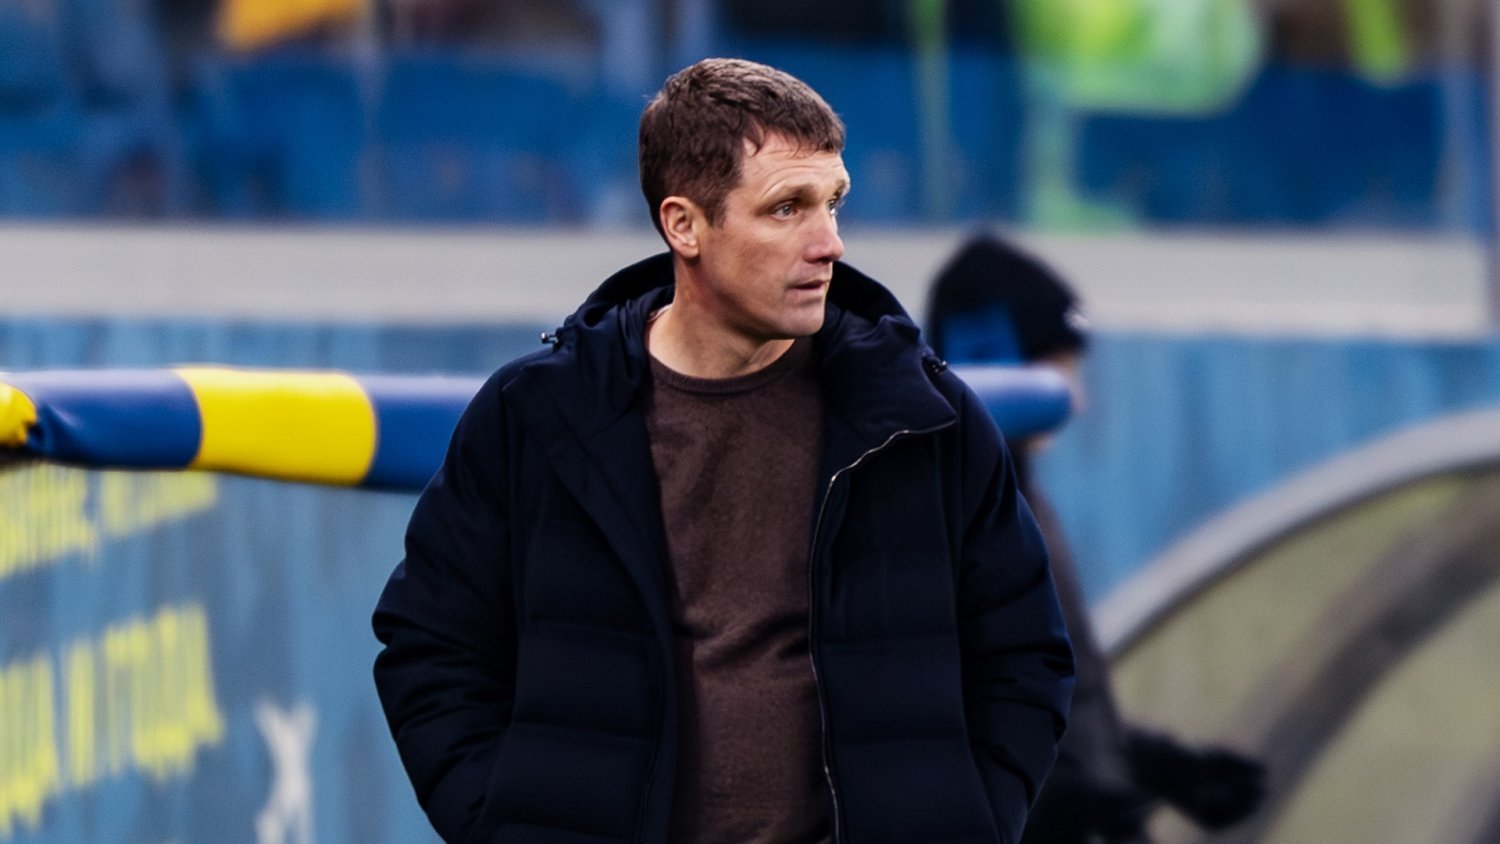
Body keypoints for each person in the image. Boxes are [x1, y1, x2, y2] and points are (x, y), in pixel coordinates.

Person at [372, 58, 1074, 844]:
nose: (829, 243)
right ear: (684, 225)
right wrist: (506, 825)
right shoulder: (535, 416)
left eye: (834, 202)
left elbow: (1026, 658)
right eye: (787, 209)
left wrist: (968, 825)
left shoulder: (927, 419)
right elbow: (432, 646)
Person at [927, 234, 1266, 844]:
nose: (1075, 402)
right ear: (989, 361)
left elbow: (1059, 701)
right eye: (1058, 376)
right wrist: (1057, 803)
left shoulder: (1024, 502)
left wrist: (1158, 766)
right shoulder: (943, 520)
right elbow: (934, 717)